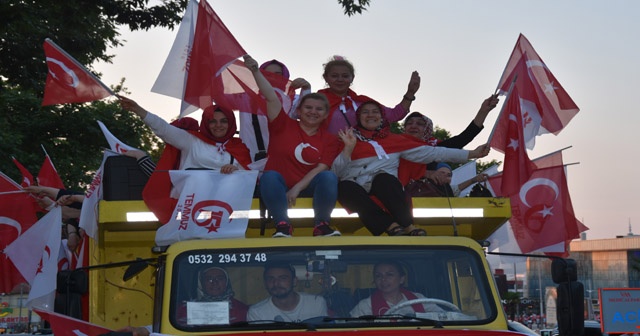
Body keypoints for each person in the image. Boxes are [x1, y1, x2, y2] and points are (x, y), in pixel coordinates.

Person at [333, 100, 490, 236]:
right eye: (365, 112)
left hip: (384, 186)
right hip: (354, 185)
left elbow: (435, 152)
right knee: (343, 187)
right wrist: (348, 148)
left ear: (381, 117)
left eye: (375, 112)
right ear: (359, 117)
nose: (370, 115)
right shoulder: (346, 137)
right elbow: (336, 172)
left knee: (385, 180)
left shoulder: (396, 140)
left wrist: (471, 154)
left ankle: (407, 225)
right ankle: (389, 225)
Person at [244, 56, 341, 238]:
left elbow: (321, 168)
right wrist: (256, 71)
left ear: (326, 114)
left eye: (319, 109)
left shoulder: (330, 139)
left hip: (308, 185)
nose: (313, 112)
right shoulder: (283, 125)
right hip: (278, 183)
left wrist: (297, 188)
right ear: (298, 110)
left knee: (328, 177)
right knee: (269, 176)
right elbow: (271, 98)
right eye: (308, 107)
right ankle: (282, 225)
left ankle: (322, 225)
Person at [118, 96, 252, 223]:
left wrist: (236, 170)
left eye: (224, 121)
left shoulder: (239, 148)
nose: (218, 125)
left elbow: (249, 177)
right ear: (205, 123)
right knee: (200, 179)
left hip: (224, 205)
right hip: (190, 203)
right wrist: (138, 109)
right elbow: (163, 129)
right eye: (212, 121)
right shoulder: (191, 140)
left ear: (231, 123)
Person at [399, 94, 499, 188]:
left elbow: (463, 138)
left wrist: (483, 111)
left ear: (427, 129)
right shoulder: (395, 145)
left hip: (424, 199)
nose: (413, 126)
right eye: (409, 123)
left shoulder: (434, 148)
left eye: (419, 124)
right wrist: (426, 173)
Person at [317, 55, 420, 134]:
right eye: (334, 76)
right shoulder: (316, 102)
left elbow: (394, 115)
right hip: (325, 155)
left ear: (352, 78)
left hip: (359, 155)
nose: (340, 79)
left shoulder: (362, 102)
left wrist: (410, 93)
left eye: (345, 76)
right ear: (326, 78)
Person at [235, 59, 312, 162]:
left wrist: (306, 89)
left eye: (278, 74)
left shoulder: (292, 100)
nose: (273, 77)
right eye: (267, 74)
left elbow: (306, 114)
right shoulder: (245, 98)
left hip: (283, 159)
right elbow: (218, 95)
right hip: (250, 158)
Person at [350, 261, 446, 317]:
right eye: (378, 276)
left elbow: (442, 317)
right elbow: (353, 329)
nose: (383, 279)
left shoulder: (418, 299)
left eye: (389, 275)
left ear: (401, 279)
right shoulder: (365, 305)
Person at [247, 263, 328, 322]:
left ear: (294, 281)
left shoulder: (316, 303)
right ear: (265, 283)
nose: (276, 283)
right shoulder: (257, 312)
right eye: (271, 279)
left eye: (282, 278)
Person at [409, 162, 489, 197]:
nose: (445, 176)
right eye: (441, 173)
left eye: (449, 175)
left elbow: (457, 189)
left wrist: (473, 180)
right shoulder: (419, 187)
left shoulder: (448, 191)